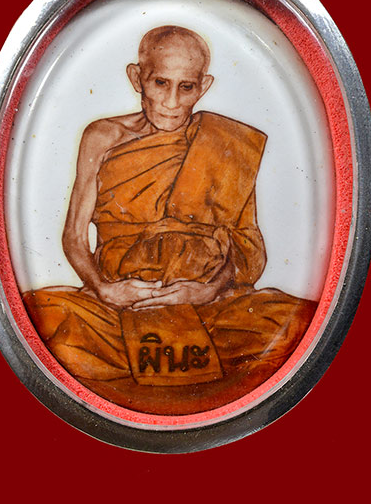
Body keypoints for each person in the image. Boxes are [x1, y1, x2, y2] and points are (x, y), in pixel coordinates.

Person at [23, 26, 315, 408]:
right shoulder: (103, 137)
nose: (172, 102)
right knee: (46, 323)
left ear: (204, 86)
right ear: (137, 78)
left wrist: (209, 289)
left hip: (207, 303)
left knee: (295, 324)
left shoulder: (225, 142)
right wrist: (104, 289)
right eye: (160, 83)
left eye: (186, 87)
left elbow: (247, 247)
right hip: (119, 304)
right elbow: (74, 238)